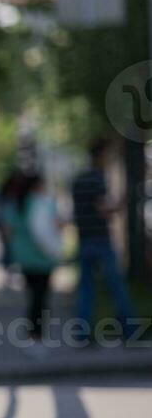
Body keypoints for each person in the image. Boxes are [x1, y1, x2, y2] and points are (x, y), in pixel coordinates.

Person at [71, 138, 132, 340]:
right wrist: (121, 204)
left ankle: (82, 333)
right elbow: (103, 209)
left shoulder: (78, 180)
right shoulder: (97, 180)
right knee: (116, 286)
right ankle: (130, 330)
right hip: (100, 240)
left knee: (86, 289)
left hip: (84, 239)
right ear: (100, 156)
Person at [1, 170, 62, 342]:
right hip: (43, 257)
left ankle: (33, 333)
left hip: (24, 257)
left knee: (33, 296)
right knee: (41, 298)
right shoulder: (43, 204)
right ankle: (38, 334)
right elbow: (55, 227)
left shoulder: (15, 204)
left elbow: (7, 230)